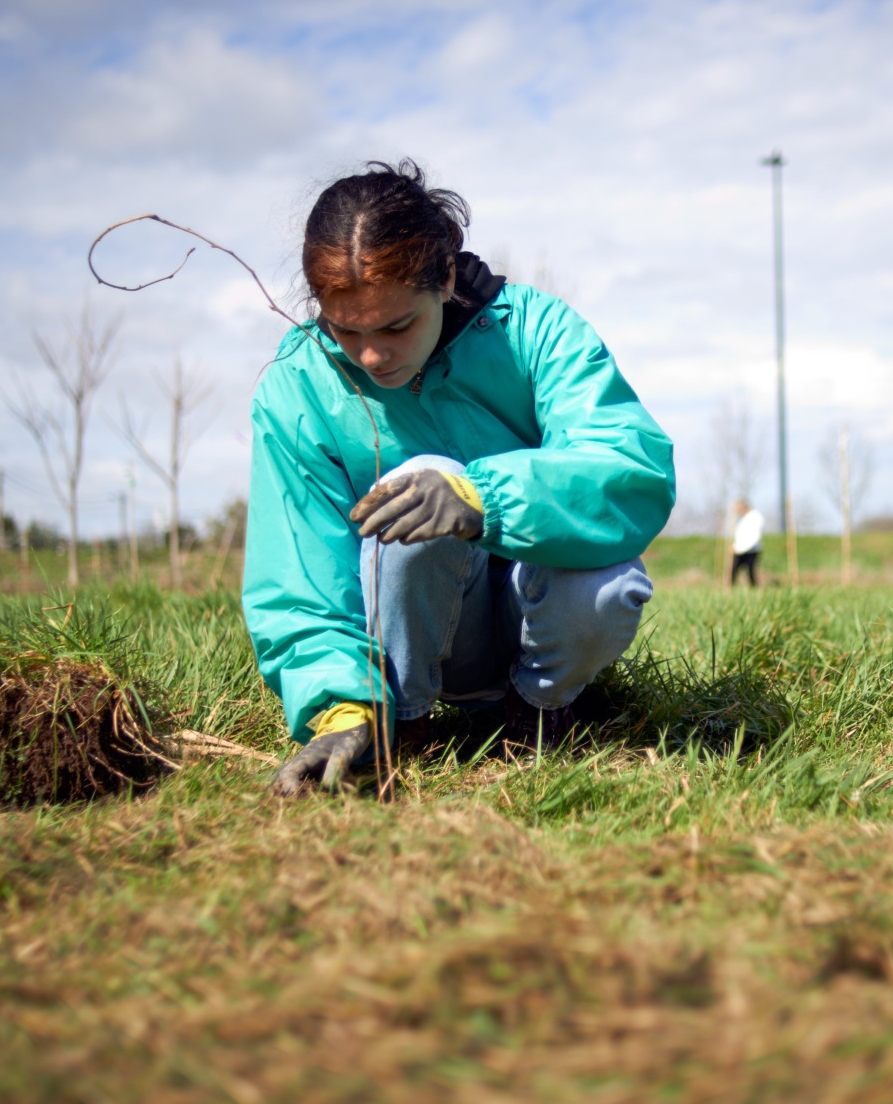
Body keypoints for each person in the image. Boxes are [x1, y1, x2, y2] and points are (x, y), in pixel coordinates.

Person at [242, 160, 675, 796]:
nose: (371, 355)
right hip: (412, 647)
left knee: (608, 583)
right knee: (422, 478)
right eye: (346, 330)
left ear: (444, 276)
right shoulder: (299, 386)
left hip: (537, 616)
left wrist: (482, 499)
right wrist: (337, 709)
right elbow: (299, 574)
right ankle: (400, 720)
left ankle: (538, 709)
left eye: (397, 325)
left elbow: (629, 465)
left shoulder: (534, 331)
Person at [730, 498, 764, 587]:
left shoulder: (755, 517)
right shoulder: (742, 519)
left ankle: (754, 588)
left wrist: (737, 548)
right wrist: (735, 546)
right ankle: (730, 588)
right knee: (733, 570)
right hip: (740, 549)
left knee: (750, 571)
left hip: (751, 549)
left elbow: (754, 537)